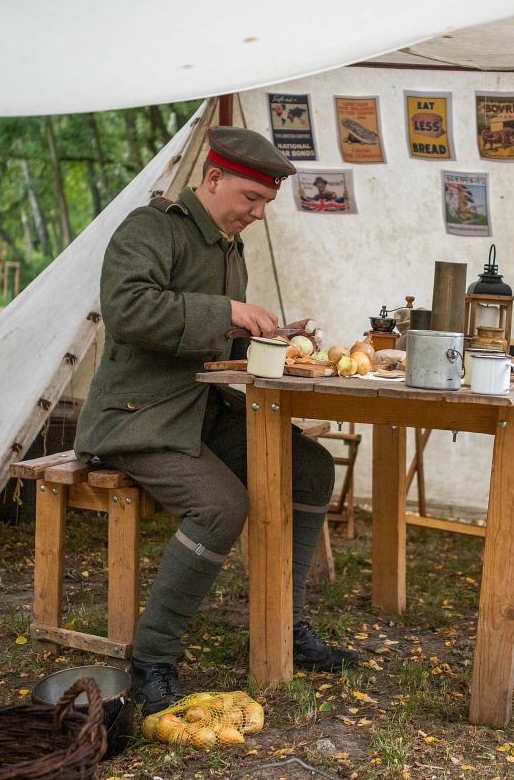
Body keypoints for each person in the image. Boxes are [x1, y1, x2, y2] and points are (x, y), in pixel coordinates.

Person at [74, 126, 357, 713]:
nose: (257, 213)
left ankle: (287, 626)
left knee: (310, 469)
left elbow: (214, 341)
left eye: (265, 203)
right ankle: (152, 660)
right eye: (251, 198)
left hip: (198, 411)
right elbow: (127, 310)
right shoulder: (151, 228)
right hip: (137, 417)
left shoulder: (229, 245)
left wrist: (275, 337)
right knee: (222, 505)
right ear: (213, 178)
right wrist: (227, 311)